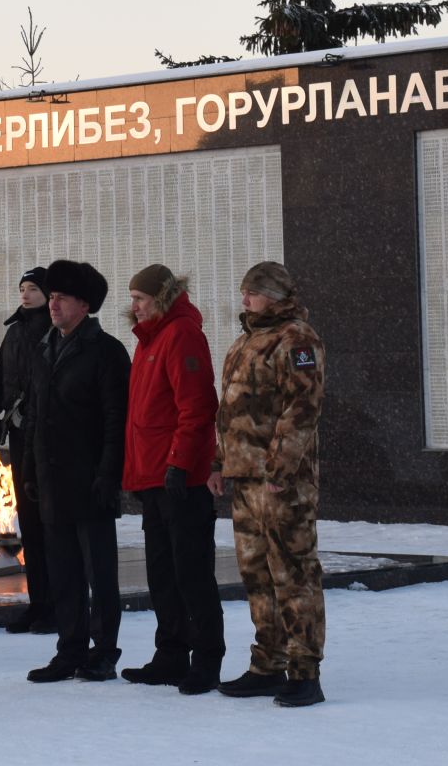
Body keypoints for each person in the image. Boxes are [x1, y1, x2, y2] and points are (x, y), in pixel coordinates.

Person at [209, 261, 327, 708]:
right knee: (257, 576)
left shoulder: (297, 339)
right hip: (244, 479)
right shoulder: (245, 342)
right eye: (244, 293)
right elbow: (231, 412)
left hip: (281, 483)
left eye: (252, 293)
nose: (245, 300)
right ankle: (267, 664)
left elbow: (302, 408)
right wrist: (220, 463)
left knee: (293, 574)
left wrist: (280, 468)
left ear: (275, 296)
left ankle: (304, 671)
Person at [25, 259, 130, 684]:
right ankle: (69, 649)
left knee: (98, 573)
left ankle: (103, 651)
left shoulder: (106, 352)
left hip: (90, 480)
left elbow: (115, 420)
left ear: (84, 305)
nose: (53, 304)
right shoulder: (43, 348)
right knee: (63, 573)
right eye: (50, 297)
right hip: (52, 482)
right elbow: (35, 415)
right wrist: (31, 470)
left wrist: (108, 475)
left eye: (62, 298)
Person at [121, 264, 222, 695]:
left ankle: (206, 658)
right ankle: (171, 654)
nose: (134, 306)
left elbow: (197, 406)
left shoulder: (181, 334)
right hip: (152, 478)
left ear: (160, 298)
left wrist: (179, 464)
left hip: (180, 479)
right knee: (163, 574)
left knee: (191, 573)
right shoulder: (149, 342)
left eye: (140, 298)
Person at [0, 266, 54, 635]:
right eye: (22, 288)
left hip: (49, 440)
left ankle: (56, 606)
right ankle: (38, 604)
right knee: (30, 526)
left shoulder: (53, 332)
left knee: (49, 526)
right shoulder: (14, 333)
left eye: (33, 289)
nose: (25, 294)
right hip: (21, 437)